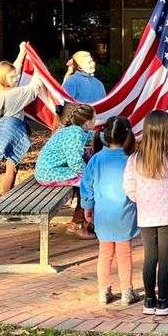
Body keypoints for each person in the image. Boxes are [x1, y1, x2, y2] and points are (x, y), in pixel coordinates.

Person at [123, 110, 168, 317]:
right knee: (165, 257)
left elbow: (128, 186)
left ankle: (148, 299)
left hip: (146, 213)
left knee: (149, 257)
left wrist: (140, 199)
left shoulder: (135, 159)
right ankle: (163, 300)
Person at [80, 115, 139, 306]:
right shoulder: (131, 160)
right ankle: (126, 291)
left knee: (105, 253)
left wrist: (87, 207)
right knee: (125, 253)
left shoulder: (96, 159)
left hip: (103, 214)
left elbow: (87, 185)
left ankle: (103, 291)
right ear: (127, 136)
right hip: (125, 214)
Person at [0, 41, 43, 194]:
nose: (16, 78)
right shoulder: (13, 94)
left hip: (6, 126)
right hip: (13, 129)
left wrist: (22, 52)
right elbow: (34, 89)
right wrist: (38, 69)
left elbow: (15, 69)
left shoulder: (0, 90)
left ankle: (7, 196)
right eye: (12, 77)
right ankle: (5, 199)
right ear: (4, 78)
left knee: (13, 166)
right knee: (11, 168)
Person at [35, 102, 96, 239]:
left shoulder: (72, 130)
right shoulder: (75, 134)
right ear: (87, 122)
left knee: (87, 180)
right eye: (94, 118)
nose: (95, 121)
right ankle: (78, 224)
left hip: (48, 171)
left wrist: (108, 136)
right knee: (89, 183)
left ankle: (82, 221)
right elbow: (75, 162)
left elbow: (91, 135)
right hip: (50, 173)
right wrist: (89, 174)